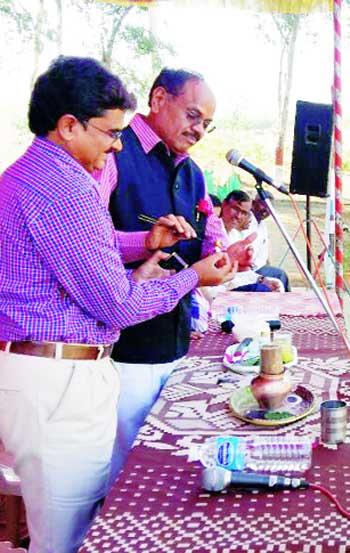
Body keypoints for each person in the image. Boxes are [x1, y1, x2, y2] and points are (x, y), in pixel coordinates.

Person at [0, 57, 235, 553]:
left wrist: (141, 243)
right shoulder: (66, 187)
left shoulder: (33, 174)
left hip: (43, 376)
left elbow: (81, 246)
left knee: (69, 522)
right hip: (58, 384)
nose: (115, 145)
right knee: (71, 535)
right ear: (69, 126)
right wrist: (194, 276)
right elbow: (119, 304)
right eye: (109, 132)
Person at [96, 67, 254, 484]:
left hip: (176, 340)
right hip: (122, 350)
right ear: (159, 99)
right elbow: (86, 244)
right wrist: (146, 241)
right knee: (123, 474)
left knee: (168, 467)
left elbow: (201, 249)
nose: (199, 129)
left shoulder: (193, 174)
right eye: (192, 115)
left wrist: (224, 259)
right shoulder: (111, 154)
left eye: (206, 123)